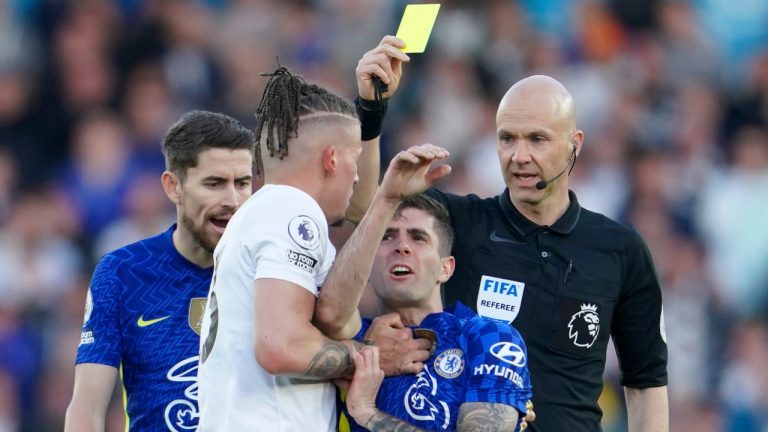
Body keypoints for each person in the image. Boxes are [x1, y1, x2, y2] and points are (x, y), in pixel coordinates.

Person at [196, 63, 451, 430]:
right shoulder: (292, 209)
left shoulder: (263, 213)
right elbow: (280, 348)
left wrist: (387, 199)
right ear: (332, 159)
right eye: (355, 159)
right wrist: (372, 356)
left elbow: (332, 318)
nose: (358, 176)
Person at [421, 75, 669, 431]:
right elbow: (360, 208)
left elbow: (646, 383)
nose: (519, 156)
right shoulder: (459, 223)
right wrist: (373, 110)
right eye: (507, 138)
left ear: (574, 145)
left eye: (537, 139)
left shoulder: (621, 249)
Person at [64, 110, 257, 431]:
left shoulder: (267, 271)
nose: (233, 200)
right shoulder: (123, 273)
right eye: (214, 183)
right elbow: (87, 408)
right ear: (173, 187)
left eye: (242, 183)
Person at [341, 194, 533, 431]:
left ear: (445, 268)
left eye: (418, 237)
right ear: (367, 264)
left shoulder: (488, 337)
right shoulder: (342, 337)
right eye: (387, 237)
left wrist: (366, 412)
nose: (401, 246)